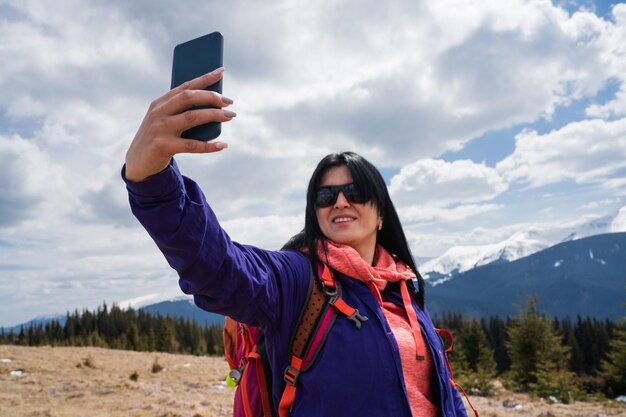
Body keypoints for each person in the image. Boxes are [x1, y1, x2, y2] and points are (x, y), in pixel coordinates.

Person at [123, 68, 469, 417]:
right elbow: (219, 266)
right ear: (314, 213)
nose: (340, 202)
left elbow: (440, 388)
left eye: (355, 192)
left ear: (382, 214)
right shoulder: (295, 280)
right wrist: (152, 181)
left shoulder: (402, 285)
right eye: (325, 196)